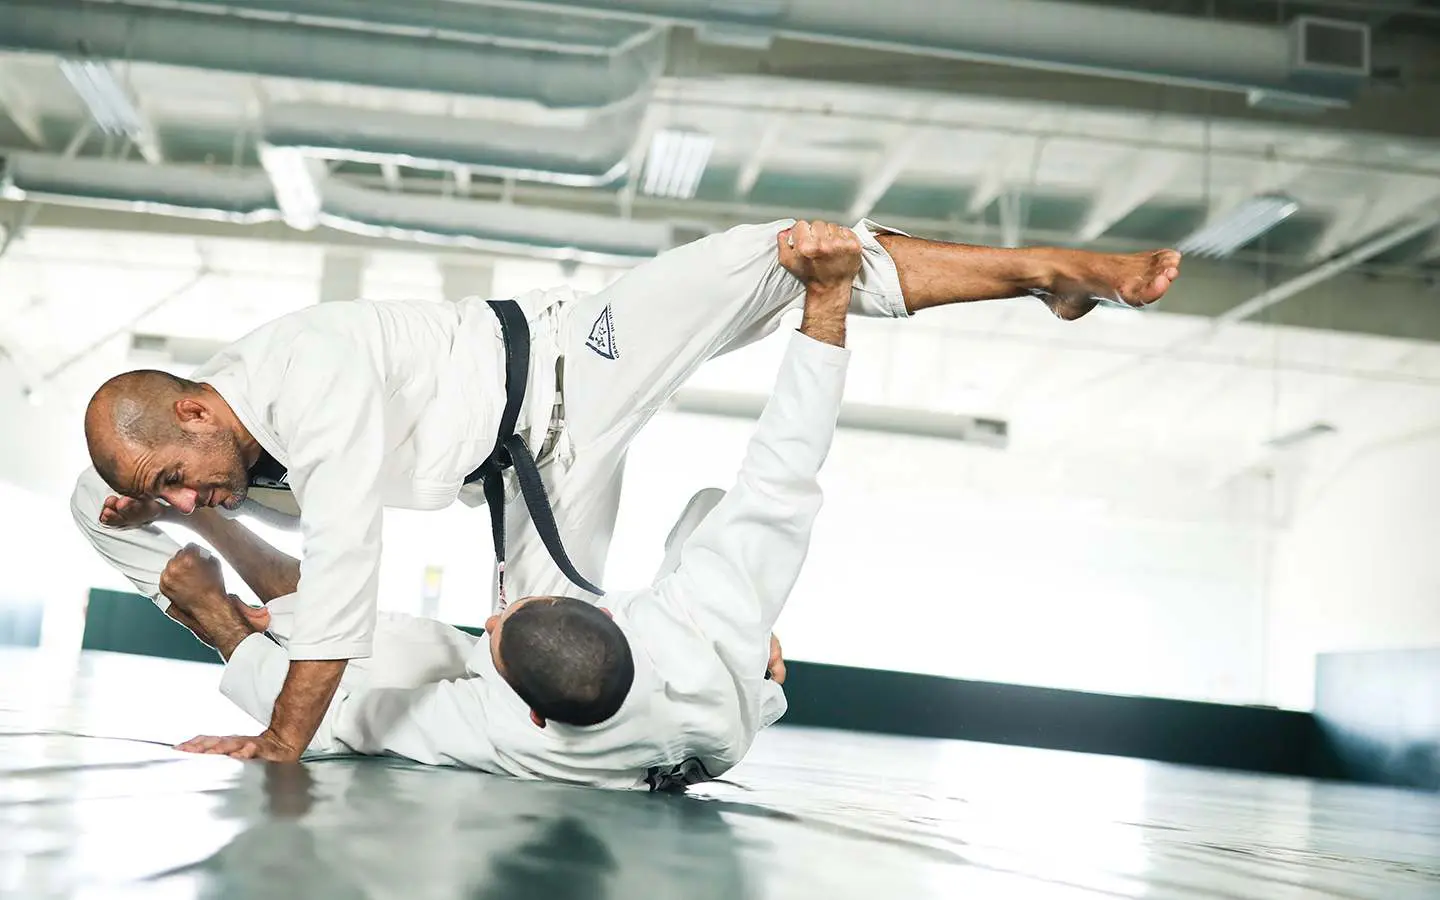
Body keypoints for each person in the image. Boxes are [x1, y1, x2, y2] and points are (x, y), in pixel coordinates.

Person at [74, 216, 1182, 761]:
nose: (189, 497)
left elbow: (342, 588)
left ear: (198, 411)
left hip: (570, 360)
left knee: (780, 252)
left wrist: (281, 746)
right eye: (172, 494)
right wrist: (164, 511)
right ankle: (735, 678)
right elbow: (295, 569)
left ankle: (1048, 273)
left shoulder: (309, 381)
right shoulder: (228, 459)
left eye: (178, 477)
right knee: (552, 688)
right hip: (533, 488)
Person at [152, 231, 859, 789]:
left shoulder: (500, 728)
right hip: (716, 699)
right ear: (613, 615)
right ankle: (276, 610)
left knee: (397, 667)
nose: (489, 616)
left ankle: (259, 614)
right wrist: (828, 298)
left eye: (497, 630)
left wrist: (224, 627)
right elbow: (784, 466)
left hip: (713, 715)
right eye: (509, 613)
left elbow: (342, 721)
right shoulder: (699, 620)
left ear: (530, 712)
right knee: (718, 520)